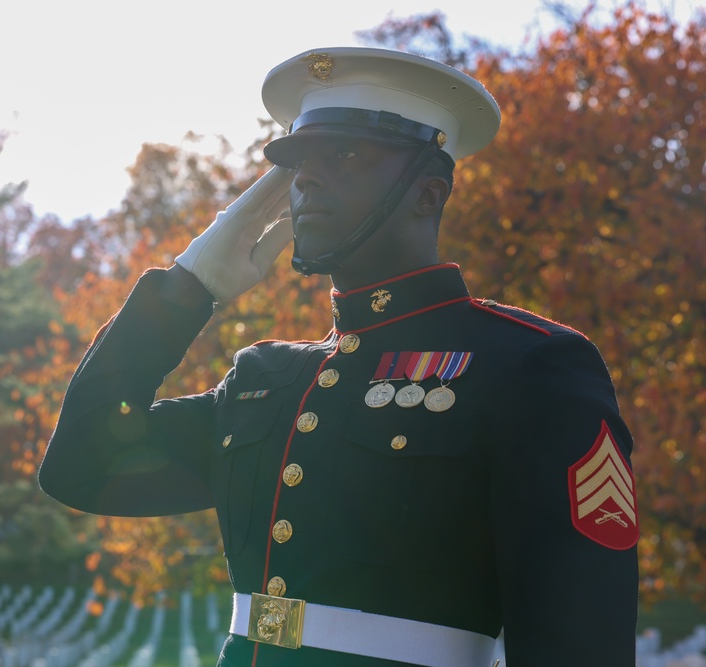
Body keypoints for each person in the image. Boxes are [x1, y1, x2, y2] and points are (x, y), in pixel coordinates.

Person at [39, 47, 638, 666]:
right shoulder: (266, 378)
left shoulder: (527, 366)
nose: (305, 179)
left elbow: (581, 644)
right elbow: (80, 466)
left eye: (345, 155)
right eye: (300, 161)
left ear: (428, 194)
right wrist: (187, 289)